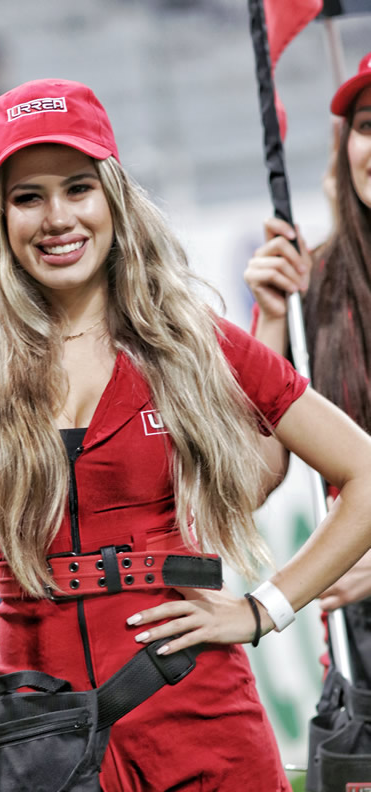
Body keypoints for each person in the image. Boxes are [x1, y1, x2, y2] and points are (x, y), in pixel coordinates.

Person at [0, 78, 371, 792]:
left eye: (77, 188)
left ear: (113, 196)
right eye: (28, 197)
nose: (57, 218)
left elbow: (363, 473)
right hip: (43, 729)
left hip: (195, 711)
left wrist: (261, 609)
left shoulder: (191, 338)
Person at [244, 52, 371, 689]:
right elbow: (250, 478)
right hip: (358, 646)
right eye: (367, 125)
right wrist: (269, 323)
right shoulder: (313, 288)